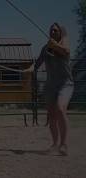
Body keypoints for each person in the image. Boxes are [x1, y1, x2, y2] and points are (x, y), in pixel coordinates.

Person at [25, 23, 74, 155]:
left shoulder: (64, 45)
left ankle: (64, 144)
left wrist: (55, 45)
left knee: (60, 108)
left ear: (60, 33)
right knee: (52, 115)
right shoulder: (45, 48)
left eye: (55, 30)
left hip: (65, 84)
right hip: (50, 85)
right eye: (51, 30)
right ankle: (55, 144)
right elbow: (38, 62)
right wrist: (32, 67)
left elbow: (66, 52)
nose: (52, 32)